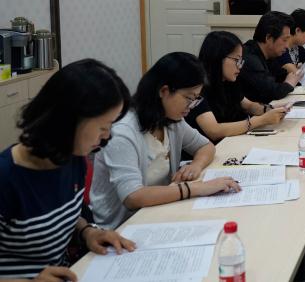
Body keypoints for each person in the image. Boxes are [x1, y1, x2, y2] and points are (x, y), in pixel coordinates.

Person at [0, 59, 135, 281]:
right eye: (103, 127)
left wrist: (88, 232)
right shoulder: (7, 178)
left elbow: (63, 216)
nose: (107, 136)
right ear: (69, 121)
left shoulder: (71, 159)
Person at [90, 52, 240, 230]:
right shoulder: (123, 131)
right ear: (164, 91)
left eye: (196, 99)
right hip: (122, 228)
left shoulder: (172, 120)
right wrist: (196, 188)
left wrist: (196, 166)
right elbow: (133, 197)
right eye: (189, 98)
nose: (191, 107)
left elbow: (206, 146)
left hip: (160, 212)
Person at [186, 31, 289, 143]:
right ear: (218, 58)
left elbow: (249, 105)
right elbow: (214, 131)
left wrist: (271, 109)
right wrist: (261, 120)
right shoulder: (198, 87)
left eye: (241, 61)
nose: (240, 66)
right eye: (236, 60)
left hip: (231, 141)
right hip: (213, 147)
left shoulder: (228, 81)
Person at [238, 11, 301, 103]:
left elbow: (282, 76)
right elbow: (271, 92)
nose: (287, 46)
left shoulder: (269, 55)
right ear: (268, 38)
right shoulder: (250, 58)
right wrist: (289, 84)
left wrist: (292, 77)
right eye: (284, 40)